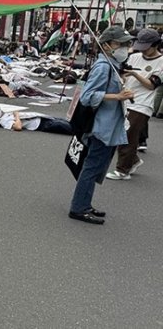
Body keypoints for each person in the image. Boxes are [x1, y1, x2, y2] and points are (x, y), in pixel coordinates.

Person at [69, 26, 136, 225]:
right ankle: (79, 208)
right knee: (91, 167)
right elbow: (87, 97)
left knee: (96, 166)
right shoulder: (103, 66)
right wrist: (117, 96)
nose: (125, 47)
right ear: (106, 46)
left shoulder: (112, 64)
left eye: (127, 44)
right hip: (101, 126)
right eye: (120, 44)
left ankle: (84, 204)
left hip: (109, 124)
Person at [105, 29, 163, 180]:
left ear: (156, 45)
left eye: (147, 47)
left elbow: (152, 85)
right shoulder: (134, 56)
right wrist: (123, 76)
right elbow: (122, 73)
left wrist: (135, 74)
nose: (143, 50)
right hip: (124, 99)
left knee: (129, 135)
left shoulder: (161, 62)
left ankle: (123, 170)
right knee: (119, 132)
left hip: (143, 104)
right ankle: (134, 160)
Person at [0, 106, 74, 134]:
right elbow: (18, 127)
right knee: (68, 128)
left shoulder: (4, 116)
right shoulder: (4, 121)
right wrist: (17, 115)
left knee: (70, 122)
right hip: (42, 124)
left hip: (43, 119)